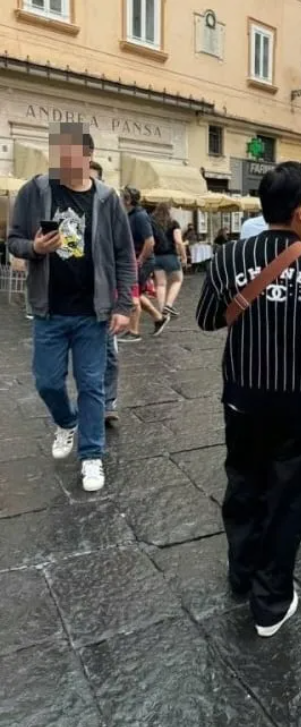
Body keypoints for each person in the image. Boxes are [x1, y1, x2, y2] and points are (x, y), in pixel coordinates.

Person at [196, 162, 301, 638]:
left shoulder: (229, 257)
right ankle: (270, 602)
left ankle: (242, 573)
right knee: (288, 499)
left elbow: (207, 319)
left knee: (243, 484)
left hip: (243, 396)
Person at [8, 123, 135, 492]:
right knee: (47, 382)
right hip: (48, 310)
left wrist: (123, 305)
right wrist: (35, 248)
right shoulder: (35, 191)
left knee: (92, 384)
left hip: (92, 313)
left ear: (88, 156)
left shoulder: (107, 199)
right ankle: (66, 421)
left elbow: (124, 255)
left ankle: (91, 455)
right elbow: (13, 241)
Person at [88, 160, 125, 428]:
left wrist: (125, 300)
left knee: (109, 353)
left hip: (105, 296)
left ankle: (107, 403)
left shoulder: (111, 210)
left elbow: (124, 255)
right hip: (72, 298)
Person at [119, 187, 168, 342]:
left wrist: (140, 260)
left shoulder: (140, 216)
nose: (119, 199)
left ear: (128, 200)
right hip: (135, 260)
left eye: (122, 197)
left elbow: (150, 242)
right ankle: (158, 318)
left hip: (141, 261)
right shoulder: (130, 215)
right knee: (137, 294)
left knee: (132, 294)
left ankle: (133, 332)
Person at [151, 203, 187, 319]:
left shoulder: (152, 223)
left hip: (156, 257)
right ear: (169, 210)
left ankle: (162, 310)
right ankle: (168, 305)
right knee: (178, 280)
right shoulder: (173, 223)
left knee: (160, 284)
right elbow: (178, 241)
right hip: (170, 256)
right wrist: (184, 256)